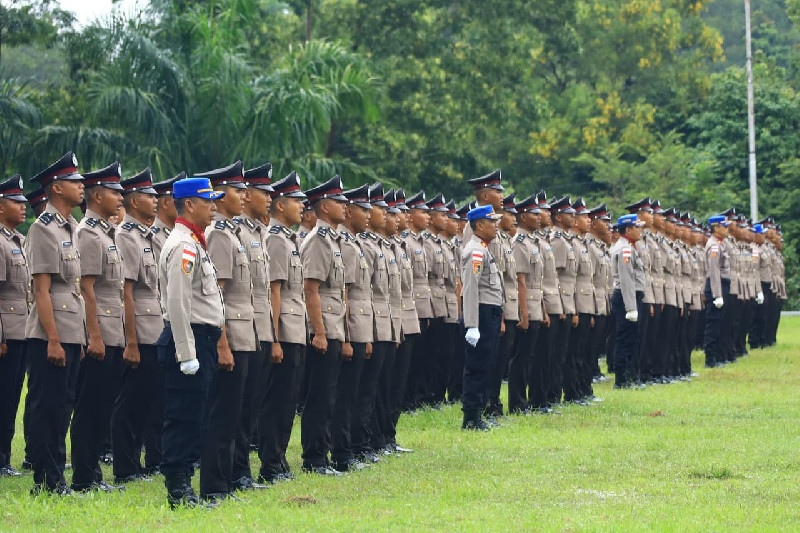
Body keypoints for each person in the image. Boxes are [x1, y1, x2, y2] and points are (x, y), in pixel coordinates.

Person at [157, 177, 225, 509]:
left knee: (195, 416)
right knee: (183, 417)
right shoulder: (184, 245)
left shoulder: (195, 242)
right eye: (208, 200)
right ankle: (178, 490)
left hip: (201, 340)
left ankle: (185, 486)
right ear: (189, 205)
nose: (214, 206)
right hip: (190, 341)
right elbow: (178, 303)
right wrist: (186, 353)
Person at [199, 161, 264, 501]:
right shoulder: (220, 236)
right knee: (223, 414)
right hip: (231, 338)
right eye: (238, 191)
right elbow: (216, 295)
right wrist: (221, 344)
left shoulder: (235, 233)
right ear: (222, 196)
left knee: (243, 412)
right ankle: (214, 484)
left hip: (246, 334)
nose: (244, 196)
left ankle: (238, 474)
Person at [26, 152, 87, 495]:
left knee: (64, 404)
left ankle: (56, 476)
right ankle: (45, 479)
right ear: (58, 188)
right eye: (76, 182)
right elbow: (42, 290)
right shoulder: (42, 229)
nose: (82, 188)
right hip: (50, 333)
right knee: (47, 405)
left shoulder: (71, 228)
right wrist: (53, 339)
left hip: (70, 329)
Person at [69, 162, 125, 493]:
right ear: (97, 194)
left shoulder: (106, 231)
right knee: (90, 406)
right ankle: (83, 476)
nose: (120, 197)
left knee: (104, 404)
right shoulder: (88, 233)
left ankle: (93, 473)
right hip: (100, 331)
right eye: (114, 192)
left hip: (113, 328)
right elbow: (85, 287)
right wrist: (94, 335)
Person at [111, 168, 164, 484]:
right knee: (129, 402)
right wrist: (130, 341)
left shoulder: (150, 236)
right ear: (132, 200)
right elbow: (126, 292)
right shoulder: (126, 236)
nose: (155, 200)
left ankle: (140, 461)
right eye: (149, 195)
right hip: (139, 332)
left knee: (148, 400)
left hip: (154, 329)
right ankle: (125, 467)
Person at [256, 171, 307, 484]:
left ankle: (279, 458)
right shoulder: (275, 240)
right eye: (296, 202)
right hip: (284, 331)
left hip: (296, 328)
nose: (302, 207)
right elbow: (273, 291)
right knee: (276, 401)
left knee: (289, 400)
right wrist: (274, 338)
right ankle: (270, 463)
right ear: (279, 206)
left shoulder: (289, 239)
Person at [299, 175, 348, 476]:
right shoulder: (317, 241)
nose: (345, 206)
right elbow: (310, 289)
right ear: (325, 207)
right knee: (319, 395)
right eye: (339, 202)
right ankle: (314, 458)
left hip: (335, 324)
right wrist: (319, 331)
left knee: (330, 393)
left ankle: (323, 453)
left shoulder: (332, 239)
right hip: (324, 326)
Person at [234, 162, 275, 487]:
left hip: (257, 329)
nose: (270, 199)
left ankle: (242, 470)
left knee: (251, 405)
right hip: (239, 330)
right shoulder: (234, 234)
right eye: (265, 192)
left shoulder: (259, 234)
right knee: (237, 407)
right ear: (247, 196)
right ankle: (236, 471)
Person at [330, 183, 373, 471]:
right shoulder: (343, 243)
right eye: (362, 209)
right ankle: (342, 453)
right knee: (345, 395)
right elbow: (343, 292)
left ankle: (356, 446)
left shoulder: (353, 242)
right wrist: (346, 336)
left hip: (361, 323)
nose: (367, 215)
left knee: (359, 391)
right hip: (349, 323)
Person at [460, 205, 504, 431]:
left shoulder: (484, 249)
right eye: (491, 222)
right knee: (477, 367)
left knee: (485, 365)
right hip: (481, 314)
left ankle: (477, 413)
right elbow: (470, 289)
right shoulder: (476, 251)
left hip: (490, 312)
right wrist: (472, 325)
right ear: (479, 226)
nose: (496, 226)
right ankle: (471, 417)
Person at [0, 176, 30, 478]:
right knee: (3, 396)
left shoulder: (17, 240)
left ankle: (4, 458)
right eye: (16, 202)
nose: (23, 207)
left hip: (21, 329)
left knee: (11, 398)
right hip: (6, 332)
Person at [507, 194, 545, 414]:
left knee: (531, 356)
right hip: (526, 306)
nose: (539, 217)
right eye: (534, 214)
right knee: (521, 357)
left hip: (535, 304)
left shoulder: (532, 242)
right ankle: (517, 403)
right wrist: (524, 313)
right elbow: (520, 280)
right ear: (522, 217)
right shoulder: (519, 243)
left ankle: (527, 401)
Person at [487, 193, 518, 418]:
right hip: (493, 305)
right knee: (492, 361)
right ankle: (488, 405)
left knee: (500, 361)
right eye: (509, 213)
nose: (513, 218)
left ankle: (495, 403)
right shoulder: (487, 238)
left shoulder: (505, 240)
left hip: (504, 305)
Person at [609, 214, 646, 389]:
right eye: (637, 227)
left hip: (631, 297)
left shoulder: (631, 246)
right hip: (626, 298)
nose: (641, 230)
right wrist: (631, 307)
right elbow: (626, 279)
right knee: (624, 339)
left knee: (632, 338)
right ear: (628, 229)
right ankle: (621, 379)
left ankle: (630, 376)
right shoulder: (624, 249)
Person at [703, 215, 731, 368]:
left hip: (722, 285)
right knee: (713, 323)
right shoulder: (713, 245)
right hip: (716, 286)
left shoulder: (721, 244)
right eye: (724, 226)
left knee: (720, 322)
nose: (727, 229)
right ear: (716, 228)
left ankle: (717, 356)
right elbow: (713, 272)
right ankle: (710, 358)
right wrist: (717, 295)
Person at [151, 173, 181, 261]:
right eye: (179, 201)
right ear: (165, 203)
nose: (185, 205)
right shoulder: (155, 238)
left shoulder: (180, 233)